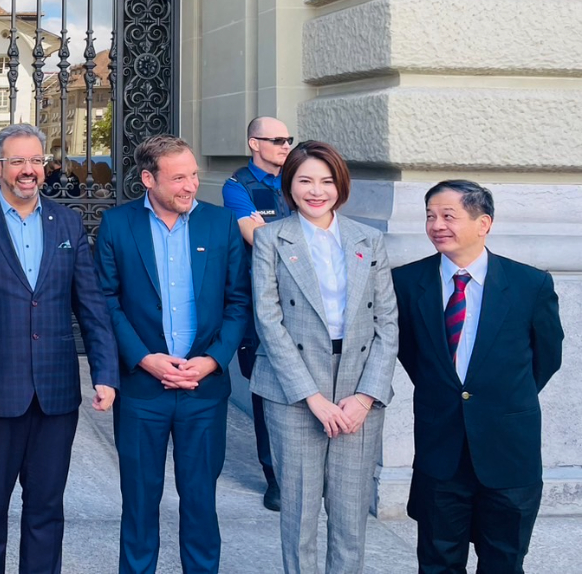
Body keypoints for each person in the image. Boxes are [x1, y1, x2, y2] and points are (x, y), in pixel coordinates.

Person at [0, 123, 119, 574]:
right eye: (17, 162)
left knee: (46, 509)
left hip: (56, 395)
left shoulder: (67, 220)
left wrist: (105, 372)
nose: (28, 170)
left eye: (35, 160)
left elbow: (90, 303)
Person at [95, 135, 249, 574]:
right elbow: (106, 300)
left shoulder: (220, 225)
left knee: (200, 501)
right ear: (148, 179)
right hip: (143, 389)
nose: (190, 185)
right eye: (179, 177)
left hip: (204, 389)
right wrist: (144, 358)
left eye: (194, 174)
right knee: (140, 501)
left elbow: (239, 301)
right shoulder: (118, 225)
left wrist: (213, 360)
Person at [394, 180, 563, 574]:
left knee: (503, 562)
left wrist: (496, 398)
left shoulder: (529, 284)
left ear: (483, 222)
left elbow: (546, 358)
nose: (437, 225)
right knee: (437, 561)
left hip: (508, 453)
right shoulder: (406, 283)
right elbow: (411, 355)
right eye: (430, 216)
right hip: (441, 452)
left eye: (449, 216)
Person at [250, 140, 398, 574]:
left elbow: (387, 324)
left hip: (358, 384)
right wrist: (311, 397)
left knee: (350, 517)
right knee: (298, 516)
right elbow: (268, 321)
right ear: (289, 185)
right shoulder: (271, 238)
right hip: (293, 387)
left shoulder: (368, 240)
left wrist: (366, 397)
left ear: (341, 185)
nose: (317, 191)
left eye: (327, 181)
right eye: (305, 181)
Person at [220, 116, 293, 511]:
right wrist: (303, 242)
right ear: (254, 143)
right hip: (261, 303)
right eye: (276, 140)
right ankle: (275, 476)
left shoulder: (298, 180)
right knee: (266, 389)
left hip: (304, 301)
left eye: (288, 139)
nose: (285, 146)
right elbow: (255, 235)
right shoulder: (237, 187)